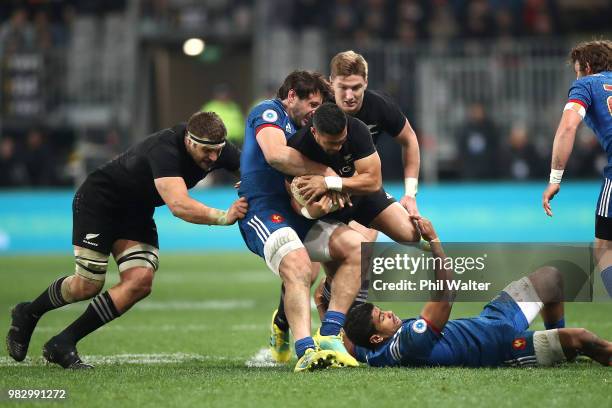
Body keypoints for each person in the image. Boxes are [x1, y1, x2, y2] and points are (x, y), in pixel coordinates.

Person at [6, 111, 248, 369]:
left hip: (136, 211)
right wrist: (224, 216)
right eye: (207, 151)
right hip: (100, 202)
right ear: (189, 141)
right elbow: (179, 205)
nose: (213, 158)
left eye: (218, 151)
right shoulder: (165, 149)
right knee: (87, 285)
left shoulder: (218, 151)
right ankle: (28, 312)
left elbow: (253, 171)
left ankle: (63, 342)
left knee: (140, 282)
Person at [343, 217, 612, 368]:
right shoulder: (409, 342)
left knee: (552, 278)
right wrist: (435, 242)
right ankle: (568, 347)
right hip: (504, 348)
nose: (389, 313)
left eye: (381, 310)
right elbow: (446, 295)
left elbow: (350, 343)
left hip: (492, 319)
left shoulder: (373, 353)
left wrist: (329, 311)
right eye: (382, 317)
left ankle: (560, 347)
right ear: (378, 336)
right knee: (583, 338)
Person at [238, 71, 366, 372]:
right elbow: (275, 155)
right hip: (262, 210)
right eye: (311, 103)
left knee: (357, 247)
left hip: (299, 212)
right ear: (291, 96)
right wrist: (327, 173)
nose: (314, 111)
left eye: (319, 105)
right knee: (299, 265)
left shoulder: (308, 132)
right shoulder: (268, 112)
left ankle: (331, 335)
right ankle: (306, 350)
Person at [542, 40, 612, 297]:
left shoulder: (587, 84)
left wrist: (555, 178)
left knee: (605, 247)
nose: (576, 75)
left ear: (588, 66)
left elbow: (568, 127)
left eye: (577, 70)